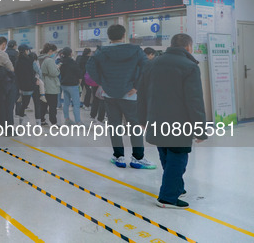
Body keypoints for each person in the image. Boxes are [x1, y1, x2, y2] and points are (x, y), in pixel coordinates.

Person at [138, 34, 207, 209]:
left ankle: (176, 187)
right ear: (189, 47)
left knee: (166, 154)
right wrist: (200, 130)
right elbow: (195, 101)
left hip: (155, 119)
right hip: (179, 122)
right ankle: (167, 198)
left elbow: (142, 94)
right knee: (178, 158)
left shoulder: (152, 64)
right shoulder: (189, 67)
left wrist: (142, 119)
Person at [86, 24, 154, 169]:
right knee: (134, 126)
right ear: (124, 35)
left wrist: (103, 83)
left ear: (109, 37)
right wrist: (136, 86)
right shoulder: (135, 50)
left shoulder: (101, 52)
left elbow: (90, 67)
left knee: (114, 125)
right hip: (130, 94)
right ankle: (138, 158)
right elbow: (146, 67)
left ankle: (119, 157)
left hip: (110, 94)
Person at [0, 37, 15, 126]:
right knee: (8, 106)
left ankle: (3, 126)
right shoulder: (2, 54)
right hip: (5, 82)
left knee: (0, 106)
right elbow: (11, 68)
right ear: (4, 44)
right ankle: (9, 128)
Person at [59, 47, 84, 125]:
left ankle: (67, 119)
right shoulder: (73, 62)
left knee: (66, 103)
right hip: (73, 85)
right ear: (70, 53)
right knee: (76, 104)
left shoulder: (61, 62)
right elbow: (79, 73)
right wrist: (79, 82)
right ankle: (78, 121)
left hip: (63, 84)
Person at [40, 43, 60, 126]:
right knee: (52, 106)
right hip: (51, 85)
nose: (55, 54)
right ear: (50, 51)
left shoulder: (40, 58)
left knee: (43, 105)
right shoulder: (49, 60)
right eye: (54, 52)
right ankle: (54, 122)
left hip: (43, 84)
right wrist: (58, 69)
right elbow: (53, 73)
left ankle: (42, 120)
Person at [15, 44, 35, 125]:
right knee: (26, 104)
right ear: (25, 51)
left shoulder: (17, 60)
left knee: (23, 104)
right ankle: (22, 121)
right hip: (29, 84)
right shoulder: (29, 60)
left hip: (21, 85)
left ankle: (20, 121)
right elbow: (32, 72)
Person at [31, 52, 48, 126]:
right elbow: (39, 71)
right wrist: (40, 78)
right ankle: (43, 95)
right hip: (36, 79)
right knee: (42, 85)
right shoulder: (34, 63)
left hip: (31, 81)